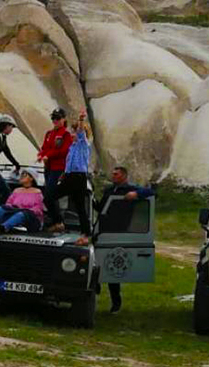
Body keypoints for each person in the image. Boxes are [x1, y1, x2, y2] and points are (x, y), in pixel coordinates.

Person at [94, 166, 155, 314]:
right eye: (113, 173)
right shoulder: (109, 190)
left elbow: (152, 192)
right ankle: (94, 290)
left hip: (119, 231)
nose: (113, 176)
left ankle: (116, 303)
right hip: (103, 229)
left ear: (124, 176)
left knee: (113, 265)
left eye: (116, 174)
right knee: (95, 261)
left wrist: (136, 194)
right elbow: (102, 208)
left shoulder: (130, 189)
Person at [44, 111, 93, 241]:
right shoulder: (72, 147)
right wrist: (64, 175)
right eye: (72, 131)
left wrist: (81, 120)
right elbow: (69, 163)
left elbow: (81, 132)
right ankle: (85, 233)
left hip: (78, 177)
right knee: (79, 207)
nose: (72, 134)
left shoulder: (83, 144)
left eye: (74, 131)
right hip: (71, 176)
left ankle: (59, 222)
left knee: (49, 197)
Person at [36, 107, 73, 200]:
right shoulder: (49, 133)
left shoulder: (66, 134)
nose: (55, 120)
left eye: (58, 118)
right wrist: (41, 155)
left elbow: (64, 151)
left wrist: (48, 155)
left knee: (49, 195)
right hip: (48, 167)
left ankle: (53, 213)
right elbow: (45, 147)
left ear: (63, 119)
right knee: (49, 194)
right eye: (53, 118)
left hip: (58, 168)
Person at [0, 168, 45, 233]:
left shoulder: (37, 192)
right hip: (15, 212)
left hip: (30, 218)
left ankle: (4, 227)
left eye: (24, 174)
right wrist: (12, 208)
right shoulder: (16, 190)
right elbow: (8, 203)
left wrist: (24, 210)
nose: (21, 176)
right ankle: (11, 225)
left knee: (21, 214)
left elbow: (38, 209)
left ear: (32, 178)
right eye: (21, 174)